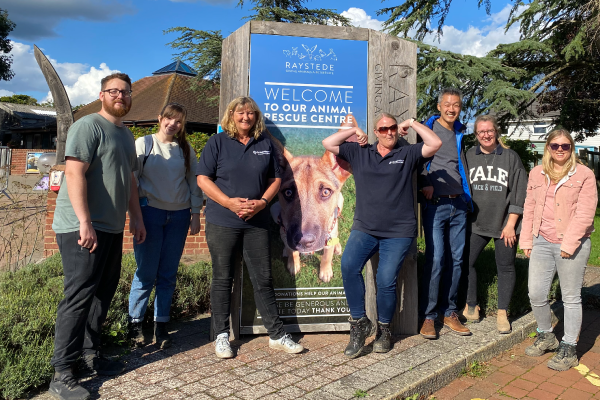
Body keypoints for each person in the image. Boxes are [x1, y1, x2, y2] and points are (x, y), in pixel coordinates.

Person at [50, 73, 146, 400]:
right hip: (82, 227)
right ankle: (62, 373)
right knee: (78, 297)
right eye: (114, 91)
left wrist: (137, 218)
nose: (121, 96)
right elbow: (74, 172)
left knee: (102, 294)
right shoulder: (88, 126)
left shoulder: (125, 134)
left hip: (111, 227)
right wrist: (84, 221)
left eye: (126, 92)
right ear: (102, 94)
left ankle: (90, 356)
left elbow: (130, 181)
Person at [322, 113, 442, 358]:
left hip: (398, 231)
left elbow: (435, 143)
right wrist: (354, 132)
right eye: (383, 129)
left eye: (393, 128)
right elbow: (328, 143)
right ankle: (359, 323)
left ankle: (384, 330)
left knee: (386, 280)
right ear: (376, 132)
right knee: (348, 266)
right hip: (365, 228)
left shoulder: (406, 153)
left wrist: (412, 123)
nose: (389, 132)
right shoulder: (360, 152)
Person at [196, 96, 303, 359]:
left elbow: (276, 179)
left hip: (257, 222)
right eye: (240, 112)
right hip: (223, 221)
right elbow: (202, 179)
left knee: (263, 278)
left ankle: (277, 335)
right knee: (223, 278)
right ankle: (222, 336)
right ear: (231, 115)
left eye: (251, 113)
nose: (246, 117)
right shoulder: (217, 142)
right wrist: (228, 203)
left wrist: (263, 202)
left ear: (256, 117)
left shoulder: (264, 144)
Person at [127, 103, 203, 349]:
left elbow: (194, 183)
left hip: (179, 216)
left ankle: (161, 325)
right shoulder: (144, 144)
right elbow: (132, 180)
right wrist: (135, 216)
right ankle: (135, 324)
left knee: (168, 274)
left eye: (179, 121)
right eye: (169, 118)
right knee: (146, 272)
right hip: (150, 213)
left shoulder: (185, 149)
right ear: (160, 118)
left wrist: (195, 214)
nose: (173, 124)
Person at [520, 129, 597, 371]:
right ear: (548, 148)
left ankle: (569, 348)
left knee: (571, 297)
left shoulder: (584, 174)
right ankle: (546, 336)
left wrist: (569, 243)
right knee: (536, 293)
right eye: (555, 145)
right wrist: (527, 240)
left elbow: (585, 213)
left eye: (565, 145)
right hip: (541, 240)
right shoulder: (537, 173)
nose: (560, 149)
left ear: (571, 148)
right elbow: (529, 207)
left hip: (572, 242)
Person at [462, 115, 528, 333]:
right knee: (465, 262)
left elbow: (519, 193)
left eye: (489, 130)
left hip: (505, 225)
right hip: (476, 223)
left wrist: (511, 224)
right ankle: (472, 305)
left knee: (506, 267)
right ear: (476, 134)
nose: (486, 135)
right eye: (481, 131)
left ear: (496, 132)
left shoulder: (510, 157)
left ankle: (502, 312)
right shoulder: (469, 155)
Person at [419, 87, 473, 339]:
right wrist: (424, 182)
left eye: (456, 105)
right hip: (436, 205)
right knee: (437, 259)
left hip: (459, 204)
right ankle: (429, 316)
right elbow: (417, 160)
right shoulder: (428, 129)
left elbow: (459, 164)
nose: (452, 109)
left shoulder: (459, 132)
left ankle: (449, 312)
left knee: (457, 260)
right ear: (439, 106)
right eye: (447, 104)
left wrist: (467, 196)